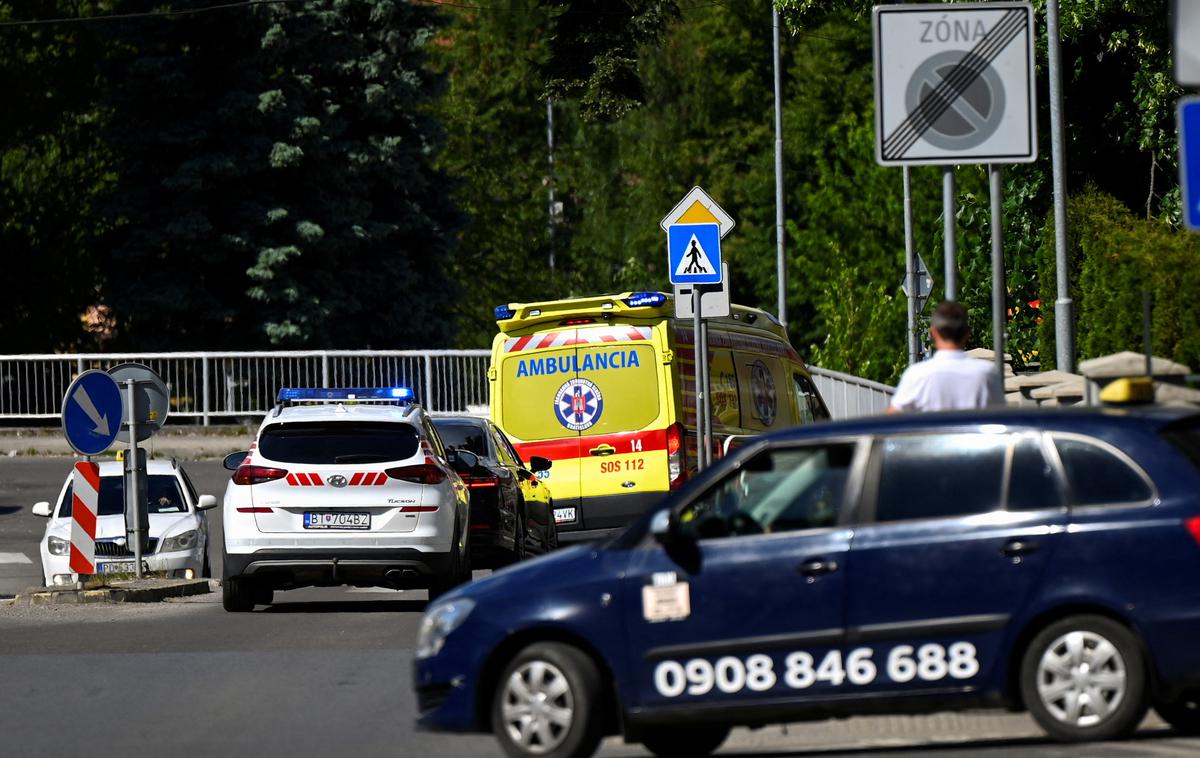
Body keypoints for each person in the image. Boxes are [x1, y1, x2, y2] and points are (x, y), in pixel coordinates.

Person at [886, 301, 1002, 413]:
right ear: (967, 333)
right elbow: (1000, 417)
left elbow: (891, 420)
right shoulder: (986, 373)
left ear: (933, 333)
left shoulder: (917, 375)